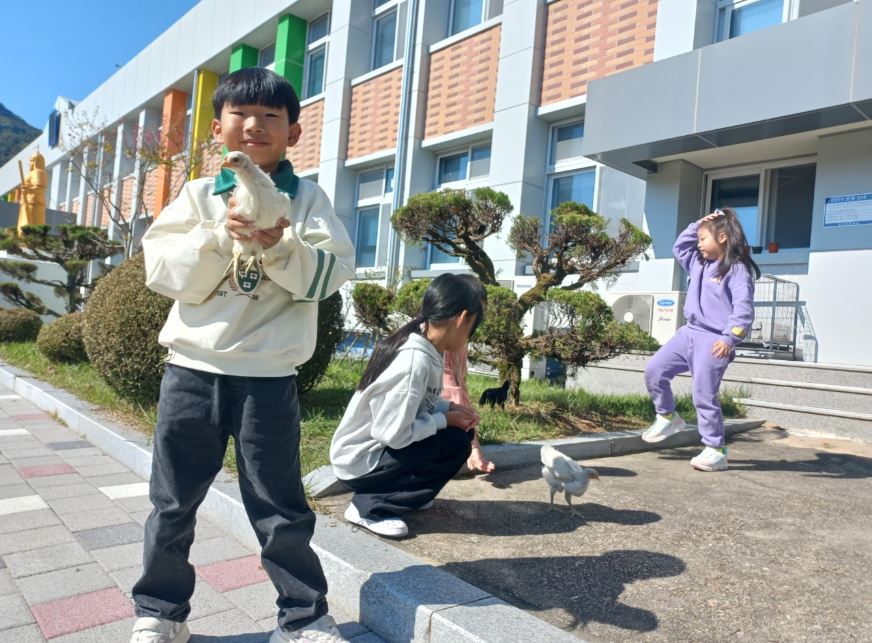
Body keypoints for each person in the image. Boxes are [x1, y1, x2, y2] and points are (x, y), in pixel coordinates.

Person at [132, 67, 355, 643]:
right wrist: (218, 236)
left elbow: (329, 275)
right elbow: (163, 272)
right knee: (172, 502)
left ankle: (304, 618)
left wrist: (280, 245)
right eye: (241, 114)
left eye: (271, 117)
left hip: (268, 377)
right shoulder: (198, 195)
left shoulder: (307, 199)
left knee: (280, 506)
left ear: (293, 133)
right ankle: (160, 613)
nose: (255, 125)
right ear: (218, 129)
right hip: (191, 371)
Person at [330, 273, 483, 538]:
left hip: (375, 451)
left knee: (459, 437)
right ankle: (369, 507)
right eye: (472, 328)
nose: (469, 337)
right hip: (360, 461)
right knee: (455, 442)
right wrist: (444, 421)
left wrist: (447, 409)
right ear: (461, 319)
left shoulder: (426, 348)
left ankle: (405, 496)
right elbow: (393, 434)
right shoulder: (413, 361)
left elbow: (416, 405)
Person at [642, 208, 760, 472]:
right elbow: (679, 246)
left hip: (715, 340)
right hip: (688, 333)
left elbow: (743, 310)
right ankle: (667, 416)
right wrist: (697, 225)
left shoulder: (737, 270)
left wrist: (730, 338)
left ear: (722, 237)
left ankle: (715, 449)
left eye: (703, 239)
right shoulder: (698, 263)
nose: (698, 244)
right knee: (654, 371)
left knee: (703, 394)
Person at [442, 274, 495, 474]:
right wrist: (473, 446)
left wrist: (474, 443)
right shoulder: (432, 344)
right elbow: (452, 389)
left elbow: (459, 384)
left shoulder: (459, 340)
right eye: (476, 317)